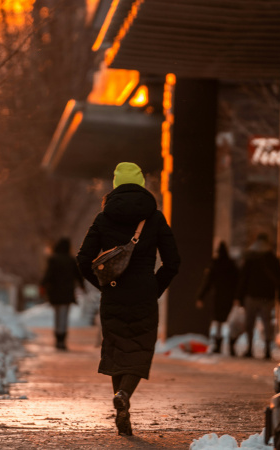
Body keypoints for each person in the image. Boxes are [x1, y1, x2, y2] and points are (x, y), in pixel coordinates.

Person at [76, 162, 180, 436]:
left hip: (113, 293)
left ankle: (121, 403)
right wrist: (154, 287)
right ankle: (124, 394)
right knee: (139, 349)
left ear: (115, 185)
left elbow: (83, 260)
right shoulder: (154, 218)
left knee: (117, 350)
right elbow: (173, 262)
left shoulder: (103, 218)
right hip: (144, 294)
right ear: (142, 185)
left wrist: (102, 286)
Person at [235, 233, 280, 359]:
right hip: (268, 297)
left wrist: (239, 297)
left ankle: (249, 349)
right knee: (267, 323)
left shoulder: (250, 257)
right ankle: (267, 350)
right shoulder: (272, 258)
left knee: (249, 323)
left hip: (251, 296)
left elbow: (243, 279)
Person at [40, 237, 85, 350]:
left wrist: (42, 285)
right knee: (64, 316)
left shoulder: (53, 259)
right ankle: (62, 339)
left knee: (57, 315)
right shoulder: (71, 260)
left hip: (55, 292)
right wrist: (82, 286)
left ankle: (58, 338)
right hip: (67, 292)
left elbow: (48, 275)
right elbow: (78, 275)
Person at [196, 242, 239, 354]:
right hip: (229, 297)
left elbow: (208, 282)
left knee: (218, 321)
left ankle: (218, 345)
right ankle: (231, 345)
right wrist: (237, 297)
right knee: (229, 321)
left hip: (218, 296)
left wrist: (201, 297)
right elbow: (237, 282)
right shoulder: (231, 265)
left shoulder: (215, 264)